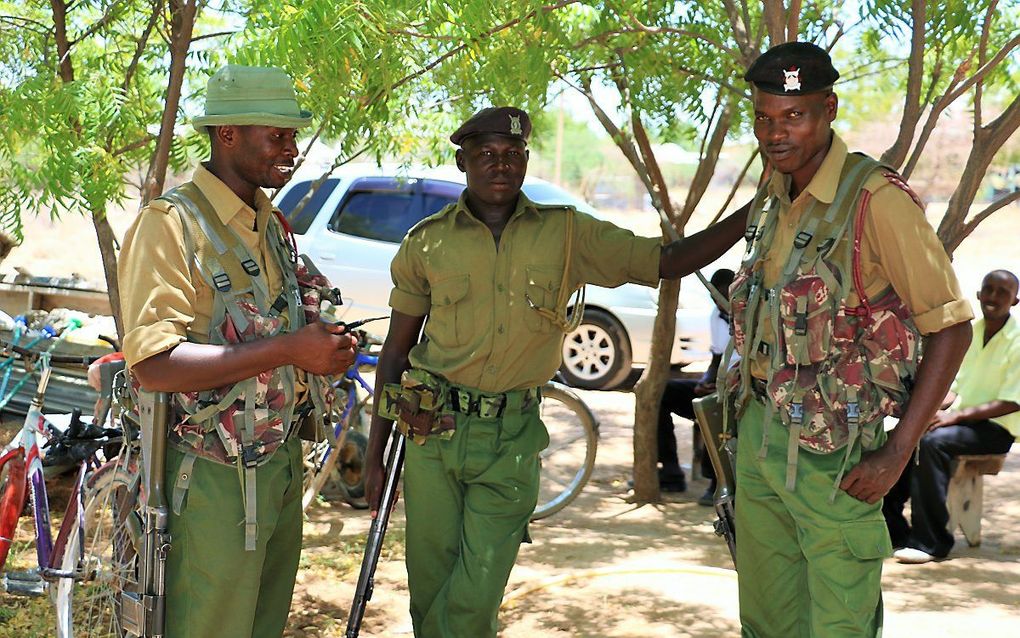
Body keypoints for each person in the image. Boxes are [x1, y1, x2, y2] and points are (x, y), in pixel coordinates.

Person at [365, 106, 750, 638]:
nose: (500, 166)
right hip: (433, 437)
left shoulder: (566, 234)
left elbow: (667, 261)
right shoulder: (426, 242)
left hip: (511, 441)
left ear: (525, 160)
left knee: (474, 595)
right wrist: (375, 451)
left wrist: (752, 214)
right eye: (485, 155)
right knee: (429, 587)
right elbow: (396, 351)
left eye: (512, 155)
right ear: (462, 162)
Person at [723, 42, 973, 637]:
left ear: (828, 108)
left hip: (834, 450)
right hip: (760, 431)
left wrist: (899, 450)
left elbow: (951, 326)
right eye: (763, 117)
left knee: (839, 623)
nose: (775, 133)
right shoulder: (775, 193)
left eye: (794, 116)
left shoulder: (875, 200)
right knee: (766, 619)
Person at [118, 65, 357, 637]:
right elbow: (152, 365)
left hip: (275, 464)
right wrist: (290, 349)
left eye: (292, 135)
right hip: (210, 478)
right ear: (226, 135)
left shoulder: (268, 223)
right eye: (277, 135)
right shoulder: (171, 226)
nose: (292, 149)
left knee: (261, 625)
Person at [884, 269, 1020, 563]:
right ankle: (892, 531)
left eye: (1002, 292)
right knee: (905, 434)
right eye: (989, 289)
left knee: (934, 443)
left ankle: (931, 542)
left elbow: (1013, 401)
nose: (994, 297)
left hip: (996, 429)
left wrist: (954, 417)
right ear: (979, 294)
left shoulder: (1018, 340)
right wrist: (925, 414)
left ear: (1016, 300)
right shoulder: (972, 332)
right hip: (963, 420)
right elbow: (953, 388)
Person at [656, 267, 736, 502]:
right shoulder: (717, 315)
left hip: (737, 389)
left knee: (717, 408)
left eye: (723, 296)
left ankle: (716, 482)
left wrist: (722, 385)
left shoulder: (748, 316)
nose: (719, 302)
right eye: (714, 297)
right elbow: (717, 359)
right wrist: (704, 382)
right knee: (664, 394)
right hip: (720, 385)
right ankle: (669, 472)